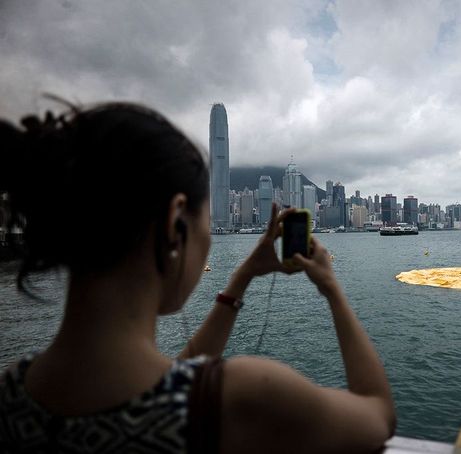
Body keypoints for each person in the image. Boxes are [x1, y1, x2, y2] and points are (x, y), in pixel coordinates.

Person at [0, 102, 395, 452]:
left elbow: (172, 375)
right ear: (175, 223)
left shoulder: (11, 391)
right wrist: (332, 291)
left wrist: (241, 277)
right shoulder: (239, 396)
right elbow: (378, 416)